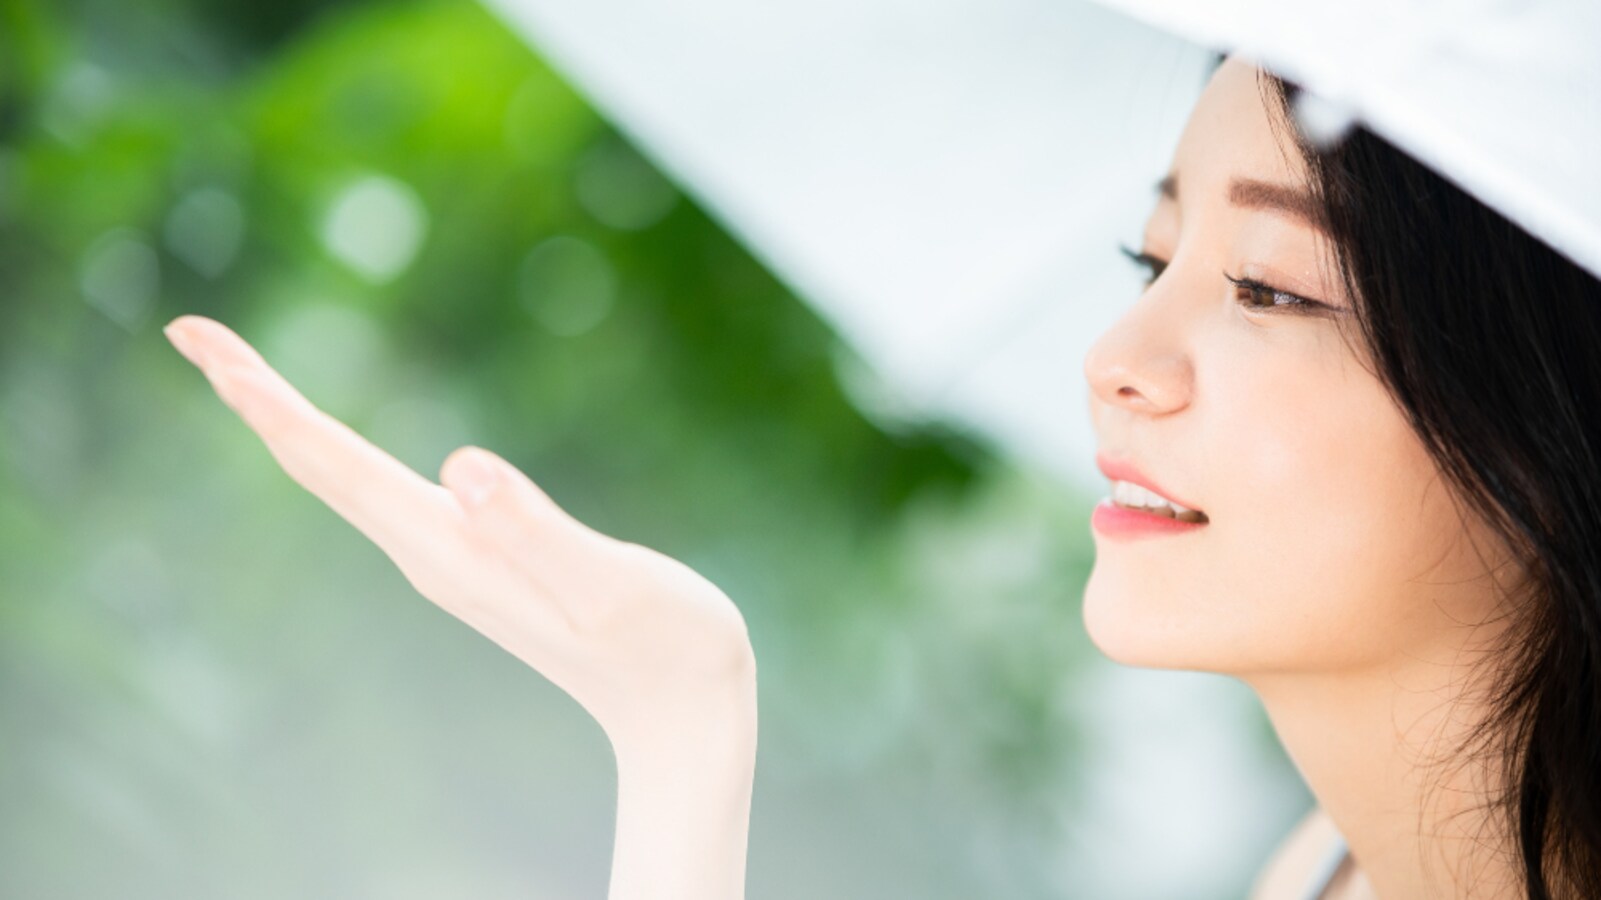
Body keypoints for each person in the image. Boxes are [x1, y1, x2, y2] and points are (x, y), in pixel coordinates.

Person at [162, 51, 1601, 899]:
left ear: (1545, 408)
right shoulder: (1336, 867)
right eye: (1149, 261)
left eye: (1273, 290)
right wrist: (678, 718)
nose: (1118, 355)